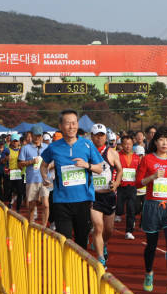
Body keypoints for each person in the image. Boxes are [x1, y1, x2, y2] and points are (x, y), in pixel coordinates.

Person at [40, 110, 104, 250]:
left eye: (74, 123)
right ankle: (67, 271)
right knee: (65, 241)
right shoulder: (54, 147)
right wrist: (45, 177)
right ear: (61, 126)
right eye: (68, 123)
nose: (71, 127)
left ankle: (80, 271)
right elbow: (43, 165)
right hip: (61, 201)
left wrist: (86, 165)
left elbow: (100, 168)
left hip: (83, 200)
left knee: (81, 242)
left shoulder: (87, 145)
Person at [136, 127, 167, 294]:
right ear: (155, 142)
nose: (165, 143)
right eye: (162, 140)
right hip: (152, 205)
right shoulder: (147, 159)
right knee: (152, 245)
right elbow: (138, 183)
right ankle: (149, 272)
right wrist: (153, 177)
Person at [89, 123, 122, 265]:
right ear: (92, 137)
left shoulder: (112, 153)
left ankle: (104, 243)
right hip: (93, 195)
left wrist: (116, 183)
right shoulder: (87, 152)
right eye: (96, 135)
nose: (99, 138)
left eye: (101, 135)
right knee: (98, 227)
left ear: (105, 136)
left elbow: (120, 171)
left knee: (108, 230)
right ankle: (101, 258)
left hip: (109, 196)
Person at [19, 125, 50, 225]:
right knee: (32, 205)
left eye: (40, 135)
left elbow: (53, 161)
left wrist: (49, 166)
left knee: (45, 205)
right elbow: (20, 164)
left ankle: (44, 227)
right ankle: (31, 224)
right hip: (31, 180)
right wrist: (32, 161)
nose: (38, 138)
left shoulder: (47, 147)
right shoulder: (25, 148)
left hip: (45, 179)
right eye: (36, 135)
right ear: (31, 135)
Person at [116, 134, 141, 240]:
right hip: (120, 186)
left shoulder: (137, 157)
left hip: (132, 187)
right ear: (121, 145)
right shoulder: (117, 155)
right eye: (125, 144)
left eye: (129, 144)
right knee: (119, 208)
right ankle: (117, 214)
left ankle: (129, 231)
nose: (127, 146)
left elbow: (140, 171)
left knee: (131, 209)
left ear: (132, 145)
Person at [4, 133, 25, 211]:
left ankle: (18, 209)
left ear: (19, 142)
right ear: (11, 142)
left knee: (20, 192)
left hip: (20, 172)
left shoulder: (22, 149)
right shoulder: (7, 150)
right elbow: (1, 161)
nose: (15, 143)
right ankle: (9, 203)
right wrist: (5, 159)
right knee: (10, 190)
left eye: (16, 141)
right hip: (11, 172)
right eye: (14, 141)